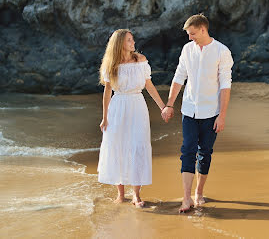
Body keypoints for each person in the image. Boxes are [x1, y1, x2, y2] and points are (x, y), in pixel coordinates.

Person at [161, 14, 234, 213]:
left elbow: (225, 86)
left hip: (212, 112)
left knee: (205, 154)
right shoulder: (187, 50)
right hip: (189, 110)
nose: (190, 37)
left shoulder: (222, 51)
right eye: (188, 34)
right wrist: (169, 104)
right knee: (187, 151)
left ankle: (198, 192)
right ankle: (186, 198)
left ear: (203, 29)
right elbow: (179, 78)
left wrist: (223, 115)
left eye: (192, 33)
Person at [98, 29, 165, 207]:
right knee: (118, 147)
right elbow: (107, 92)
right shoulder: (111, 64)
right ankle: (121, 194)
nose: (133, 43)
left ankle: (136, 194)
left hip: (137, 105)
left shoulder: (140, 60)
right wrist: (104, 117)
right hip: (117, 107)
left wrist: (162, 106)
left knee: (138, 146)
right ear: (120, 43)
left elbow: (149, 85)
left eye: (132, 39)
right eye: (129, 40)